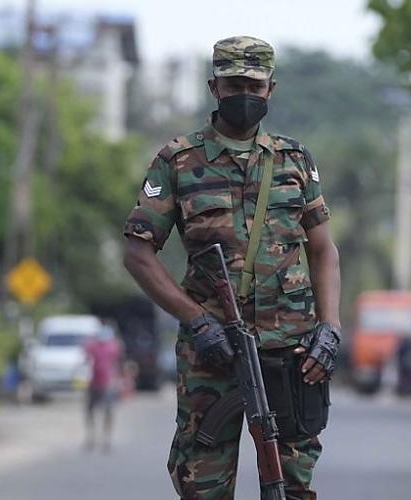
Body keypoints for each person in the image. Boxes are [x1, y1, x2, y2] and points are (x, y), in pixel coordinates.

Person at [123, 35, 342, 500]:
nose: (244, 93)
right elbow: (138, 253)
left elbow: (323, 250)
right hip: (213, 350)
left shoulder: (294, 160)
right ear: (213, 88)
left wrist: (330, 328)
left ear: (271, 90)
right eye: (233, 83)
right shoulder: (178, 161)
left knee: (292, 485)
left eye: (254, 85)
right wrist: (196, 319)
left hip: (290, 352)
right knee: (201, 483)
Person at [83, 325, 124, 451]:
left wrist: (119, 381)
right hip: (94, 382)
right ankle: (92, 437)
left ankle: (106, 438)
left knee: (108, 412)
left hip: (107, 383)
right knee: (90, 411)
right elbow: (86, 360)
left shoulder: (113, 347)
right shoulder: (93, 347)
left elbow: (118, 364)